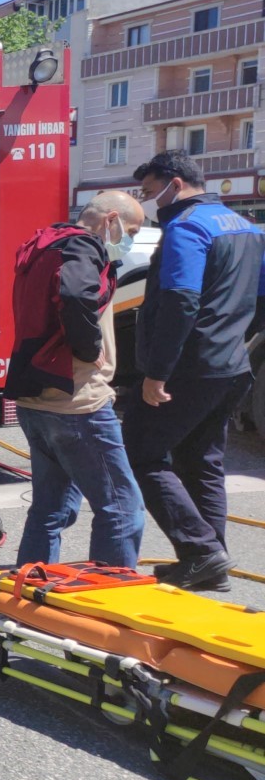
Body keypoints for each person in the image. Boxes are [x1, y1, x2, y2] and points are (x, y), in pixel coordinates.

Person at [122, 150, 265, 591]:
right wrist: (236, 341)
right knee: (201, 460)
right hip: (231, 365)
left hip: (190, 367)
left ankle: (201, 551)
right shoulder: (245, 227)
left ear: (176, 183)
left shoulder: (187, 227)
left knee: (142, 454)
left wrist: (157, 373)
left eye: (150, 193)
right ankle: (210, 560)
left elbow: (181, 300)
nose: (150, 204)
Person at [4, 191, 146, 568]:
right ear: (110, 219)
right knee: (121, 507)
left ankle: (31, 588)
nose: (127, 239)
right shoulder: (84, 247)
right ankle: (109, 600)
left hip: (36, 398)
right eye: (129, 230)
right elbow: (75, 295)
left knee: (51, 508)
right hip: (78, 402)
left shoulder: (48, 242)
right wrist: (87, 347)